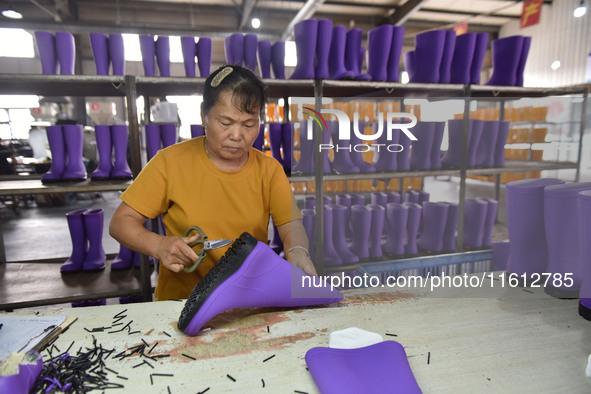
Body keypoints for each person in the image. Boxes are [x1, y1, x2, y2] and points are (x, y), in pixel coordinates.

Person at [109, 65, 317, 301]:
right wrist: (158, 245)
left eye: (249, 125)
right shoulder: (170, 162)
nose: (237, 135)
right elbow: (120, 222)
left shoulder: (269, 170)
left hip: (246, 299)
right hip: (181, 303)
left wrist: (298, 251)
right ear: (203, 115)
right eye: (225, 123)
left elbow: (291, 226)